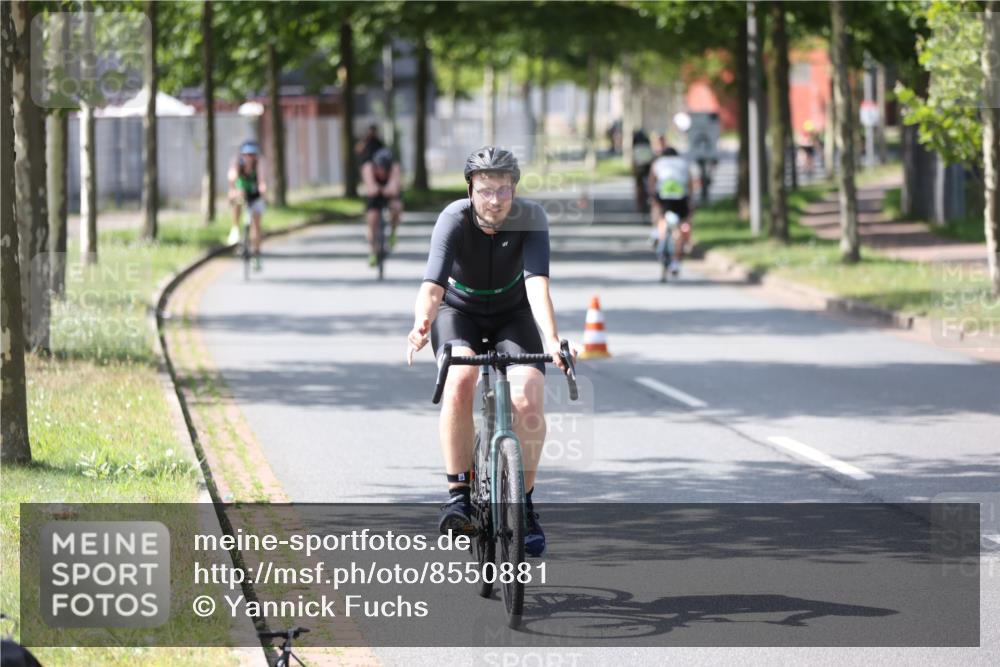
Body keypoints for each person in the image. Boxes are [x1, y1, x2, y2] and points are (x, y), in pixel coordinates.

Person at [406, 146, 575, 558]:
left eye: (503, 190)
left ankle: (525, 505)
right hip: (458, 311)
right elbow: (432, 286)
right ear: (470, 189)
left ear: (515, 189)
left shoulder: (530, 219)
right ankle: (458, 496)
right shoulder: (453, 218)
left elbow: (537, 285)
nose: (495, 200)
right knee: (460, 380)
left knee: (529, 399)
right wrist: (421, 322)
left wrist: (552, 339)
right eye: (485, 190)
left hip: (511, 314)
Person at [647, 138, 694, 276]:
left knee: (658, 211)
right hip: (680, 198)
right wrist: (690, 201)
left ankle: (656, 232)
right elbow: (691, 185)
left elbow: (651, 182)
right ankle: (675, 262)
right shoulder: (684, 164)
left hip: (664, 197)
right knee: (680, 226)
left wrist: (653, 197)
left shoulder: (658, 163)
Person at [227, 140, 267, 271]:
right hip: (242, 192)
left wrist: (262, 188)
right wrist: (232, 190)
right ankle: (235, 228)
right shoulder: (238, 163)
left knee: (256, 226)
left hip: (255, 195)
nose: (249, 157)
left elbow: (262, 180)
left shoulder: (259, 163)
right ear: (243, 155)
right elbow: (232, 176)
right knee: (236, 203)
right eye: (247, 155)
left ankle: (256, 254)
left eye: (252, 155)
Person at [361, 147, 403, 266]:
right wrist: (378, 189)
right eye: (379, 168)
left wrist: (388, 189)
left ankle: (393, 232)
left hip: (389, 193)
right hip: (375, 194)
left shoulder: (394, 168)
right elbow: (371, 188)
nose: (382, 172)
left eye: (385, 169)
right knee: (372, 219)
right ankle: (373, 251)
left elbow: (394, 188)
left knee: (396, 207)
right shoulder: (368, 167)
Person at [631, 129, 654, 214]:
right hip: (647, 166)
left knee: (639, 186)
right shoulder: (646, 144)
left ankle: (639, 206)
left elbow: (634, 160)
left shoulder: (636, 146)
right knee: (649, 185)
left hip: (639, 167)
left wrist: (633, 170)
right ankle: (650, 202)